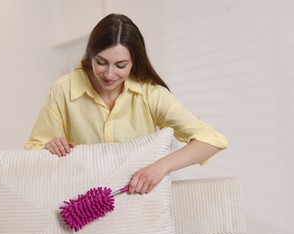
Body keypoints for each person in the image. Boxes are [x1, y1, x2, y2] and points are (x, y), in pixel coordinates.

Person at [24, 13, 227, 194]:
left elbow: (212, 140)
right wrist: (49, 147)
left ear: (134, 62)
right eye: (101, 62)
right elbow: (33, 149)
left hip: (137, 198)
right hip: (84, 201)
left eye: (121, 65)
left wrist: (160, 167)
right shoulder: (64, 89)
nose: (110, 74)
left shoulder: (150, 94)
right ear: (90, 55)